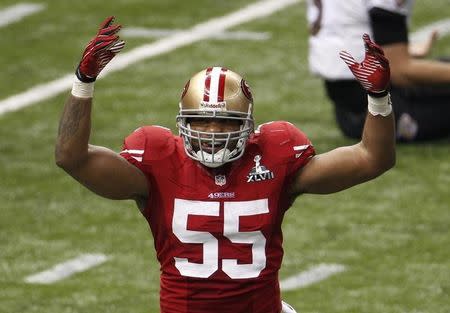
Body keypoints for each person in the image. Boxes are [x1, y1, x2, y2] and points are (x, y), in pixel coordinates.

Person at [55, 16, 395, 313]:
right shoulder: (158, 163)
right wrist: (83, 82)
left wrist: (378, 97)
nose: (214, 132)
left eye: (227, 122)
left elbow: (372, 158)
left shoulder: (273, 157)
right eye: (201, 122)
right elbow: (72, 157)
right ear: (182, 123)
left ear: (247, 124)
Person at [307, 0, 450, 141]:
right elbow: (399, 72)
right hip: (377, 109)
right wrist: (398, 59)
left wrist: (395, 50)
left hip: (345, 99)